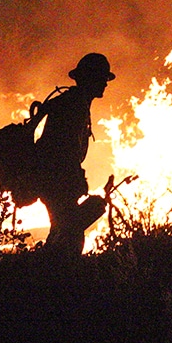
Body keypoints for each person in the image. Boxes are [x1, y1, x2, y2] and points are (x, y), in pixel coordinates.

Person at [34, 52, 114, 259]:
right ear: (91, 78)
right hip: (56, 180)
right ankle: (59, 278)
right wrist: (75, 178)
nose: (105, 84)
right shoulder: (74, 105)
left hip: (54, 179)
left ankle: (47, 269)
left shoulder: (75, 102)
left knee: (62, 230)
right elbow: (63, 146)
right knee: (69, 236)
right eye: (102, 78)